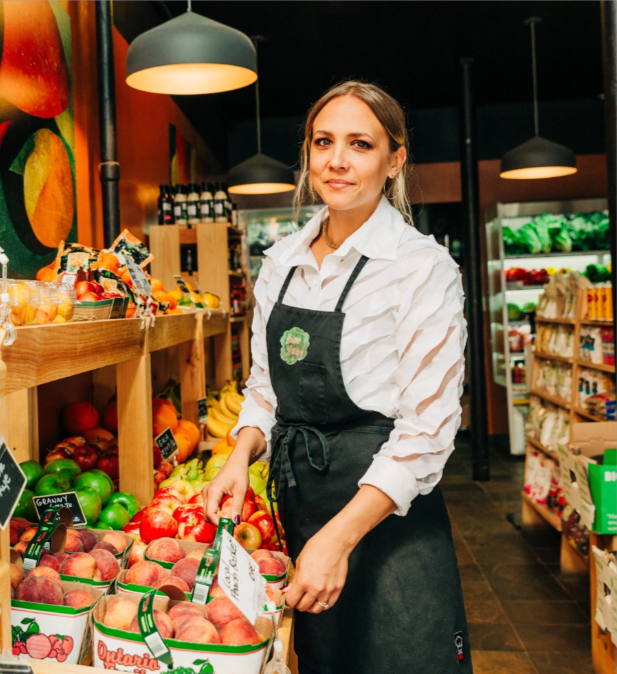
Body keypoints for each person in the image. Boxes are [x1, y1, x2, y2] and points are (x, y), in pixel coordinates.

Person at [202, 81, 471, 674]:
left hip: (389, 514)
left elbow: (427, 430)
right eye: (323, 142)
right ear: (306, 153)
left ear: (394, 160)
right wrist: (239, 456)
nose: (337, 161)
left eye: (360, 144)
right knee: (326, 661)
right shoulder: (281, 263)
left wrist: (339, 537)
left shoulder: (420, 268)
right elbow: (267, 387)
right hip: (306, 506)